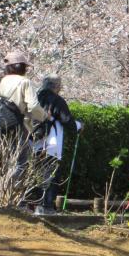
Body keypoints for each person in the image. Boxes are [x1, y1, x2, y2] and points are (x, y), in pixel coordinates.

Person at [0, 50, 48, 201]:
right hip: (18, 128)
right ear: (23, 67)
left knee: (6, 163)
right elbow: (34, 107)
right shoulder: (25, 82)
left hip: (0, 129)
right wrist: (44, 117)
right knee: (21, 164)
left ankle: (1, 198)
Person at [31, 74, 83, 216]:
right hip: (51, 143)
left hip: (33, 141)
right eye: (60, 85)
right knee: (51, 175)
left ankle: (35, 206)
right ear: (56, 86)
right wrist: (79, 125)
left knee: (35, 174)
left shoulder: (35, 97)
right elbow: (67, 121)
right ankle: (47, 207)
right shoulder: (56, 100)